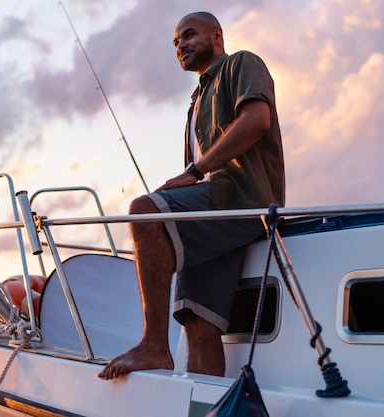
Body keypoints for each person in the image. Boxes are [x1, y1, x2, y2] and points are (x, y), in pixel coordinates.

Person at [98, 11, 285, 380]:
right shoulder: (196, 101)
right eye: (175, 42)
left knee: (145, 212)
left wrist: (193, 172)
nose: (180, 45)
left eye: (188, 35)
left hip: (239, 202)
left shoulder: (241, 64)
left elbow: (256, 120)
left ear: (217, 35)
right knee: (199, 323)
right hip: (214, 214)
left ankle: (153, 345)